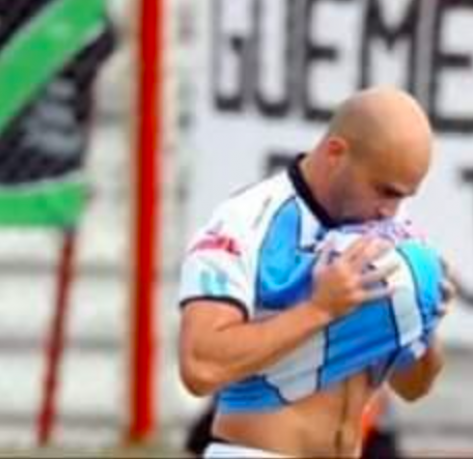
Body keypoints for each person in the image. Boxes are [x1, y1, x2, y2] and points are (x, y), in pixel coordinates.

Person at [178, 86, 453, 458]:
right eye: (385, 191)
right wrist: (319, 310)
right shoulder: (246, 220)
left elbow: (412, 388)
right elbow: (200, 365)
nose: (391, 211)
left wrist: (425, 320)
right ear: (336, 153)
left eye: (403, 197)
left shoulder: (386, 231)